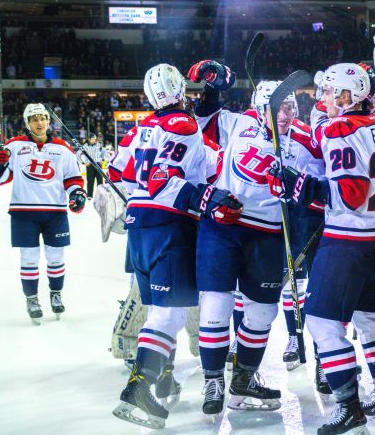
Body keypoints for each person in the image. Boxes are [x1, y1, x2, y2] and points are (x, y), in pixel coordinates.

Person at [189, 59, 324, 417]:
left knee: (263, 311)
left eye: (291, 107)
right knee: (217, 302)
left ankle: (244, 378)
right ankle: (213, 379)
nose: (285, 114)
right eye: (277, 108)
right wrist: (212, 88)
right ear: (260, 107)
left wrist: (302, 190)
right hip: (223, 225)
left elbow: (327, 183)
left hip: (267, 233)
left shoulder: (307, 141)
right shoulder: (240, 122)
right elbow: (202, 117)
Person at [112, 63, 242, 430]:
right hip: (168, 223)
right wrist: (207, 196)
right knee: (168, 314)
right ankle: (140, 387)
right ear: (177, 91)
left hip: (138, 224)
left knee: (158, 311)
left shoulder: (138, 129)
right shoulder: (182, 125)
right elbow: (163, 180)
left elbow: (117, 172)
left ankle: (154, 380)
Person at [273, 62, 375, 435]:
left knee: (321, 320)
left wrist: (300, 186)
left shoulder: (338, 128)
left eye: (329, 91)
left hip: (347, 238)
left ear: (347, 97)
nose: (322, 98)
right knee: (368, 317)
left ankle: (348, 403)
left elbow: (350, 194)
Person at [0, 103, 87, 323]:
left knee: (56, 257)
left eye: (43, 118)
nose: (39, 123)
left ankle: (56, 294)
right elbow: (1, 179)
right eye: (34, 119)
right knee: (29, 258)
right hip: (23, 212)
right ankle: (32, 298)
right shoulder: (15, 146)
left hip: (54, 213)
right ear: (28, 123)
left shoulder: (62, 147)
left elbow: (73, 178)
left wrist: (77, 194)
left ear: (48, 121)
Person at [81, 132, 107, 199]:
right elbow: (78, 154)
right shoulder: (85, 146)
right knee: (90, 181)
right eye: (92, 139)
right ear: (89, 139)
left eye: (95, 139)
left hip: (98, 164)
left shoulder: (99, 145)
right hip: (90, 165)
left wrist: (103, 160)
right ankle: (89, 195)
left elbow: (104, 152)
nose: (94, 140)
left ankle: (101, 195)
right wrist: (83, 163)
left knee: (100, 182)